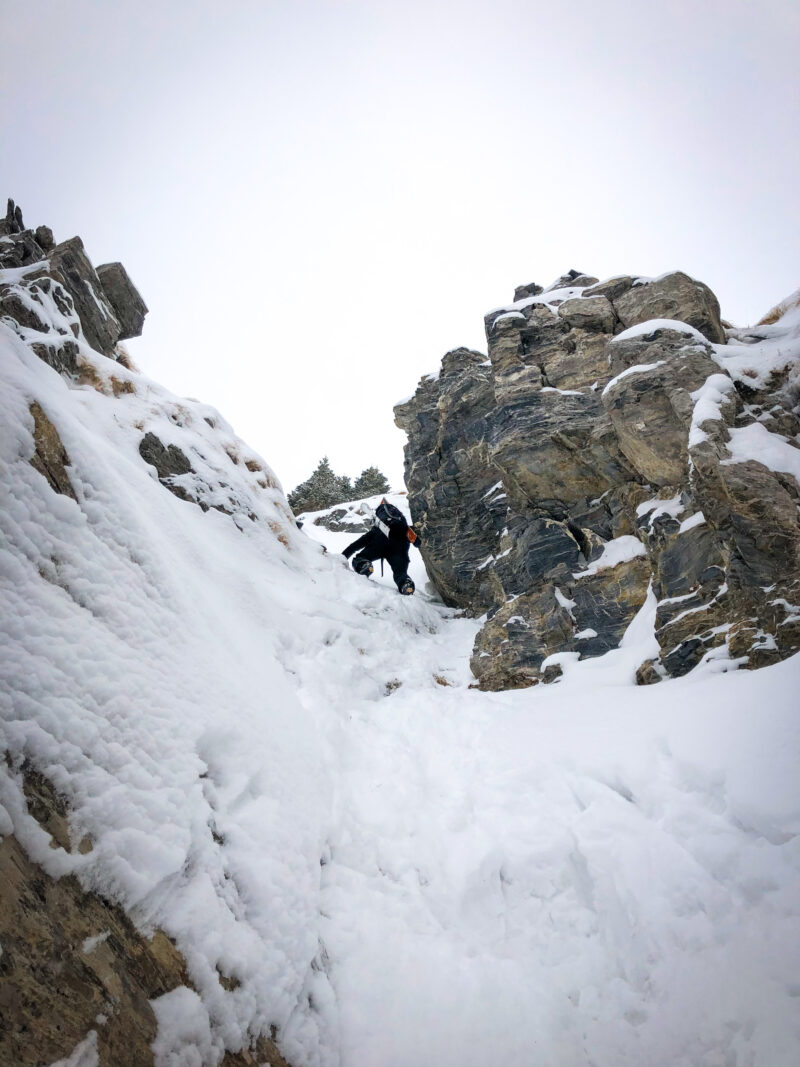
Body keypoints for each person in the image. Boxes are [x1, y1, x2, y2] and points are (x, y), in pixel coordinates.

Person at [343, 499, 422, 595]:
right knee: (400, 573)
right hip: (400, 545)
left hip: (380, 542)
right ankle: (405, 584)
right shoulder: (403, 527)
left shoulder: (377, 529)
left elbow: (356, 545)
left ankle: (364, 565)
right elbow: (415, 540)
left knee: (360, 558)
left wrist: (343, 557)